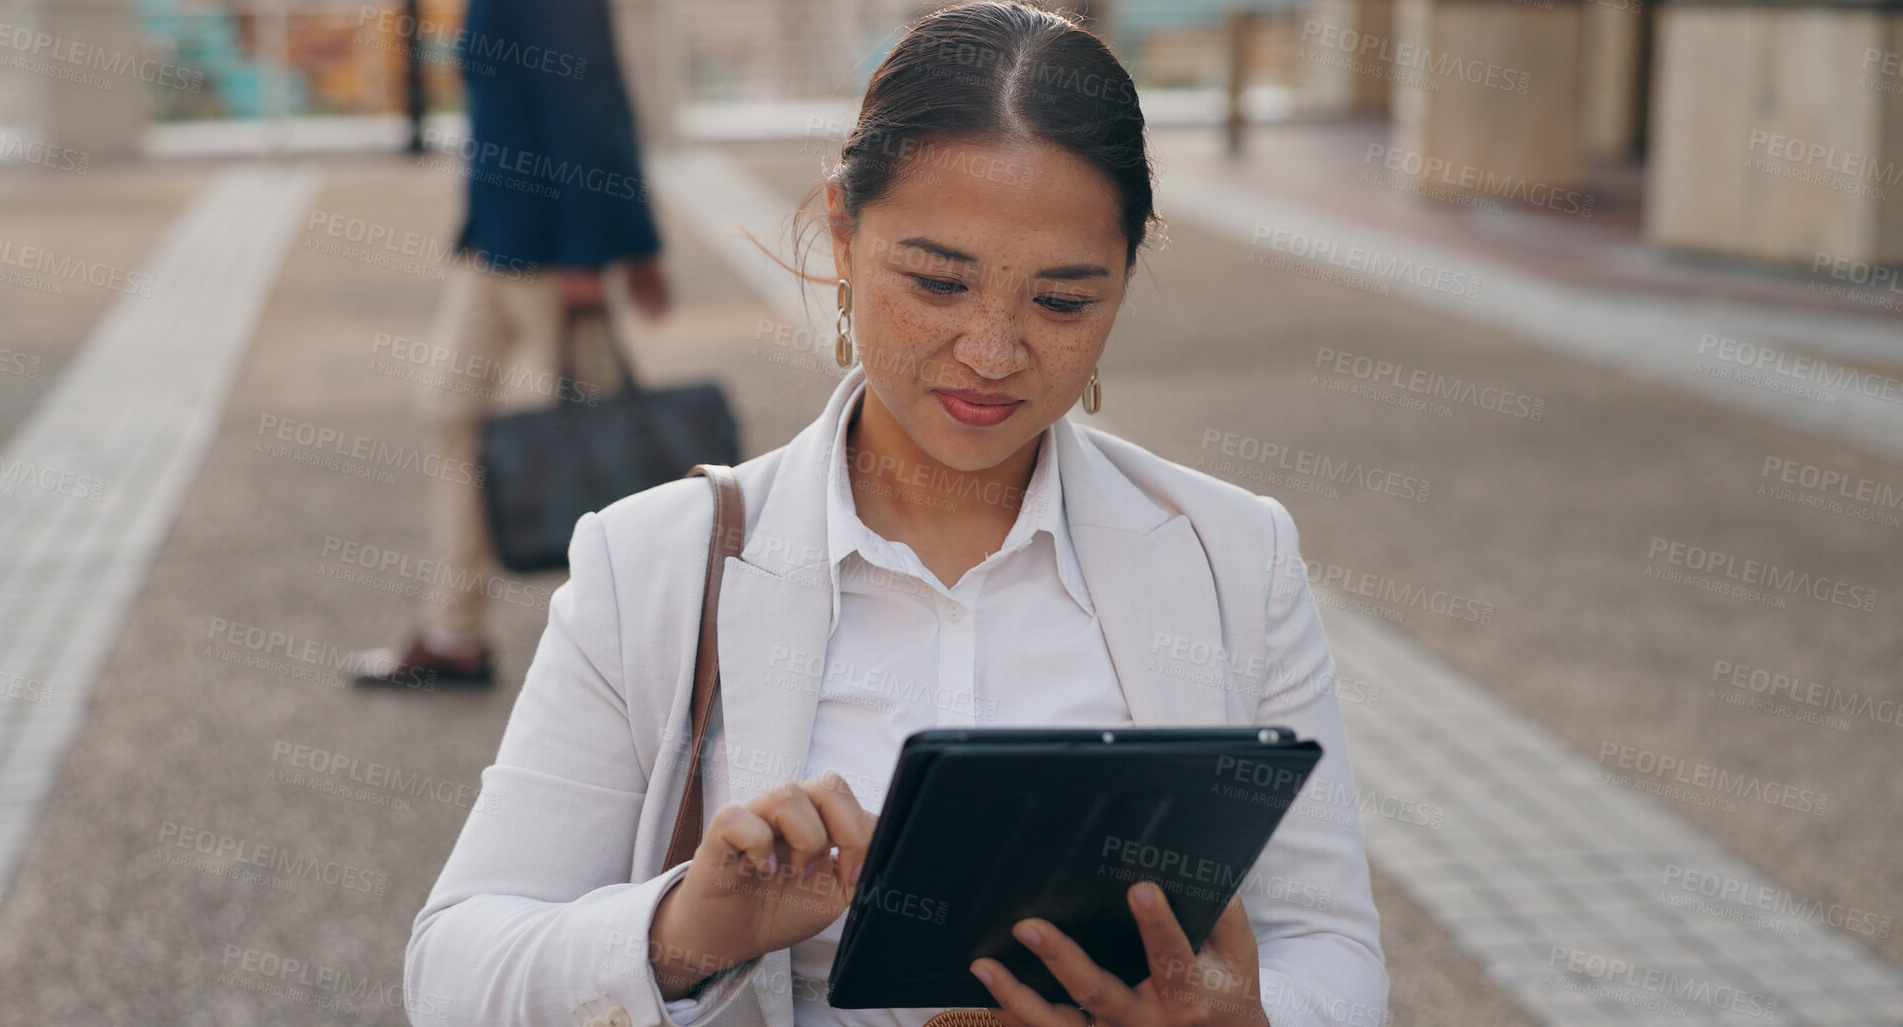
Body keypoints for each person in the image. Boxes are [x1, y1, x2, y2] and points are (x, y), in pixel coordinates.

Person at [404, 3, 1387, 1026]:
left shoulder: (1234, 555)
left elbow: (1327, 942)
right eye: (937, 281)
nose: (994, 350)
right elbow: (454, 972)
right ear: (841, 231)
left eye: (1063, 301)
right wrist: (680, 935)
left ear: (1127, 276)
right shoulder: (653, 561)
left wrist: (1253, 1021)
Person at [354, 0, 672, 688]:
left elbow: (590, 102)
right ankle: (454, 631)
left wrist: (601, 254)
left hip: (553, 247)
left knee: (609, 438)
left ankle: (665, 638)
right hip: (496, 237)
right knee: (451, 407)